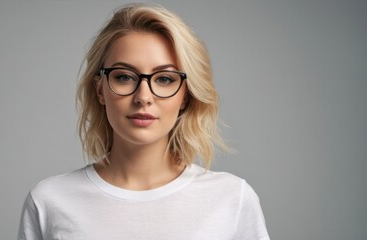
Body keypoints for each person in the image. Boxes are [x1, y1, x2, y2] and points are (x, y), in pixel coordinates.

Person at [18, 3, 270, 240]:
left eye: (164, 79)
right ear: (100, 90)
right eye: (125, 77)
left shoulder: (232, 199)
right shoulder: (49, 201)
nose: (143, 97)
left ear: (185, 95)